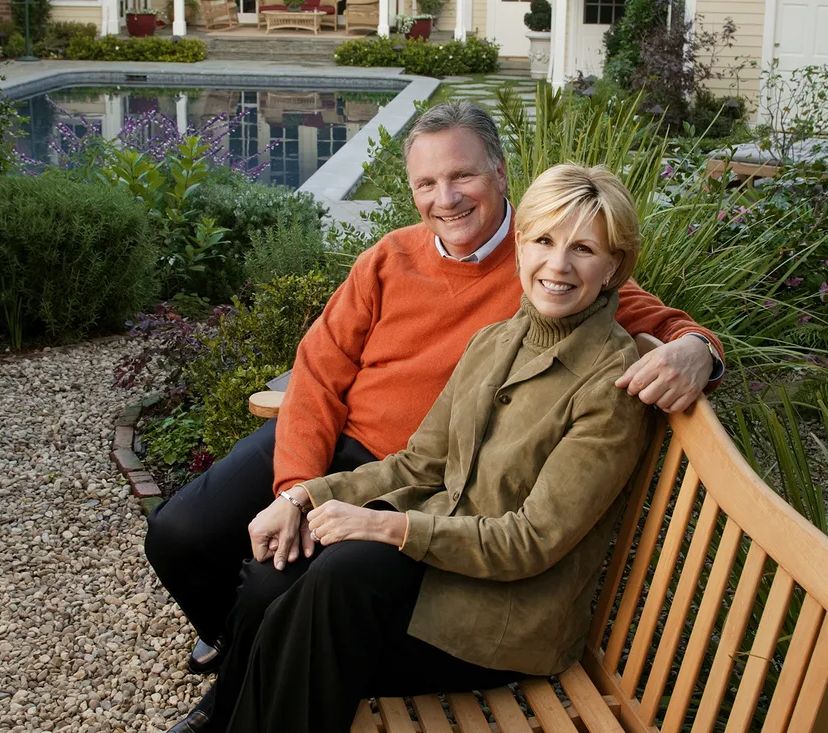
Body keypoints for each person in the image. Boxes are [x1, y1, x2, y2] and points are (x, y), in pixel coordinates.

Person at [144, 102, 725, 686]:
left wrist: (700, 350)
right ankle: (242, 643)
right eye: (427, 183)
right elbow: (318, 371)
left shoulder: (548, 256)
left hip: (417, 477)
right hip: (339, 451)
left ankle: (245, 674)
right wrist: (298, 490)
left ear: (500, 172)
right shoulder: (390, 257)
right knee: (177, 535)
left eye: (462, 176)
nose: (445, 199)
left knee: (275, 580)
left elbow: (670, 323)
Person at [172, 162, 652, 733]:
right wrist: (301, 498)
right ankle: (230, 716)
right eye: (544, 240)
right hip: (444, 570)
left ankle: (235, 717)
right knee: (276, 575)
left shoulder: (610, 384)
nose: (557, 265)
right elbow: (418, 463)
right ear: (520, 244)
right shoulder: (497, 340)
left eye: (583, 250)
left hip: (500, 619)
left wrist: (388, 528)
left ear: (613, 267)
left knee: (334, 587)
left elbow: (531, 541)